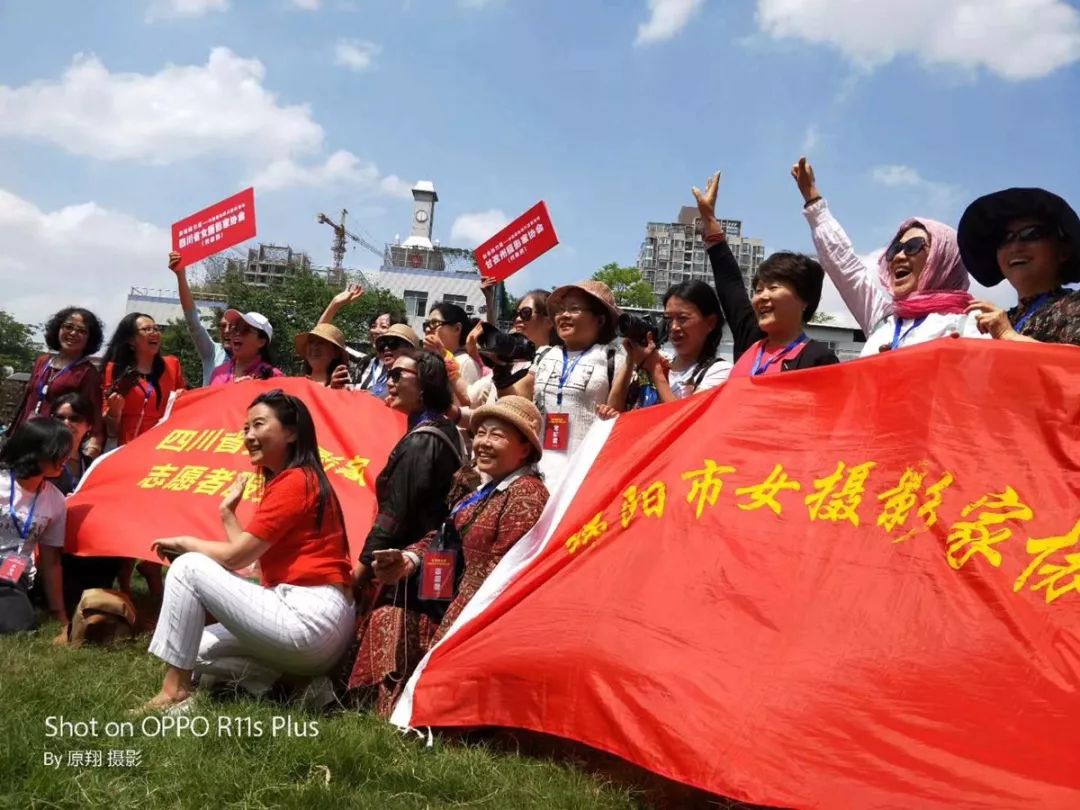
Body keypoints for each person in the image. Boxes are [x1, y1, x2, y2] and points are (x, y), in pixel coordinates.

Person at [140, 390, 354, 712]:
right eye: (245, 429)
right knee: (191, 649)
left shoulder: (296, 481)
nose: (249, 436)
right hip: (311, 622)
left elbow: (236, 557)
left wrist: (186, 545)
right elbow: (251, 562)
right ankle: (298, 684)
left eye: (258, 425)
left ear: (292, 432)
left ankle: (174, 692)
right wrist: (228, 514)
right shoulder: (296, 480)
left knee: (188, 568)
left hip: (310, 617)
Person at [353, 397, 548, 712]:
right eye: (480, 433)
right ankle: (375, 710)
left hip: (480, 622)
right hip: (451, 605)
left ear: (524, 448)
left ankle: (412, 710)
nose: (483, 442)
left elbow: (497, 579)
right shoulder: (484, 491)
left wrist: (444, 639)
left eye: (496, 435)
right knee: (387, 616)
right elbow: (442, 536)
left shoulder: (526, 496)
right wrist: (407, 560)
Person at [347, 350, 463, 716]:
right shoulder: (439, 429)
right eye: (389, 374)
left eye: (400, 375)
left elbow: (394, 517)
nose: (391, 381)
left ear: (426, 386)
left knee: (393, 649)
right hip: (431, 567)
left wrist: (361, 575)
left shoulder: (421, 441)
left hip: (407, 573)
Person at [791, 158, 982, 354]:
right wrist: (813, 201)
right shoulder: (882, 319)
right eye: (894, 249)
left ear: (944, 259)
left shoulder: (970, 324)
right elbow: (847, 269)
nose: (898, 256)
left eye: (913, 246)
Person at [694, 172, 839, 376]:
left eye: (773, 287)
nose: (762, 296)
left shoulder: (819, 359)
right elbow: (730, 284)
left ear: (804, 300)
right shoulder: (750, 339)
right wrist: (708, 218)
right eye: (758, 289)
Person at [502, 281, 624, 493]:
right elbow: (516, 402)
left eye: (574, 309)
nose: (563, 315)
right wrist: (499, 373)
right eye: (560, 310)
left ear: (600, 319)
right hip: (539, 470)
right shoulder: (546, 355)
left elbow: (619, 413)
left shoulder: (615, 358)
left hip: (587, 473)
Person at [958, 187, 1080, 346]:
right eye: (1004, 239)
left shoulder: (1075, 306)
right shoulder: (999, 322)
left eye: (1031, 234)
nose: (1015, 247)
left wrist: (1008, 336)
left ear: (1064, 250)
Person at [51, 393, 125, 620]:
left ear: (88, 426)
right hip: (51, 542)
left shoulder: (93, 465)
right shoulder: (41, 462)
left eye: (74, 418)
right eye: (60, 417)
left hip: (84, 541)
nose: (67, 423)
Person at [607, 280, 731, 411]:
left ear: (710, 323)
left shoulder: (720, 371)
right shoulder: (659, 360)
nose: (674, 327)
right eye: (668, 319)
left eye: (683, 318)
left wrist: (656, 371)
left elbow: (684, 420)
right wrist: (630, 359)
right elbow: (613, 410)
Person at [0, 418, 70, 639]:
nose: (65, 459)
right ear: (35, 451)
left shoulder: (56, 501)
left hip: (11, 577)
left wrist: (60, 614)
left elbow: (51, 561)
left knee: (21, 627)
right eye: (59, 452)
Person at [9, 307, 106, 457]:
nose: (73, 333)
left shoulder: (88, 373)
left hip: (54, 446)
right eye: (68, 327)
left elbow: (94, 417)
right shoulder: (42, 362)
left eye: (81, 331)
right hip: (24, 438)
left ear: (89, 338)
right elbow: (27, 401)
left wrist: (93, 446)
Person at [102, 313, 187, 447]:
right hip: (124, 446)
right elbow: (110, 429)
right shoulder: (115, 369)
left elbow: (183, 409)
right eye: (147, 329)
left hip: (160, 445)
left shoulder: (172, 365)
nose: (154, 333)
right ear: (131, 340)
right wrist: (114, 412)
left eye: (156, 329)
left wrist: (182, 398)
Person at [168, 251, 230, 386]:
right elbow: (193, 322)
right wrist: (181, 275)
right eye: (223, 326)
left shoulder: (258, 366)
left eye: (235, 327)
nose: (227, 331)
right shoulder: (213, 352)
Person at [209, 311, 283, 385]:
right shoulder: (219, 373)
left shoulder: (274, 376)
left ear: (261, 342)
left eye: (245, 330)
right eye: (235, 328)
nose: (237, 333)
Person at [423, 303, 483, 386]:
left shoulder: (466, 363)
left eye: (434, 323)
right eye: (426, 324)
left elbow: (470, 398)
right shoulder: (428, 361)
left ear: (457, 329)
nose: (427, 329)